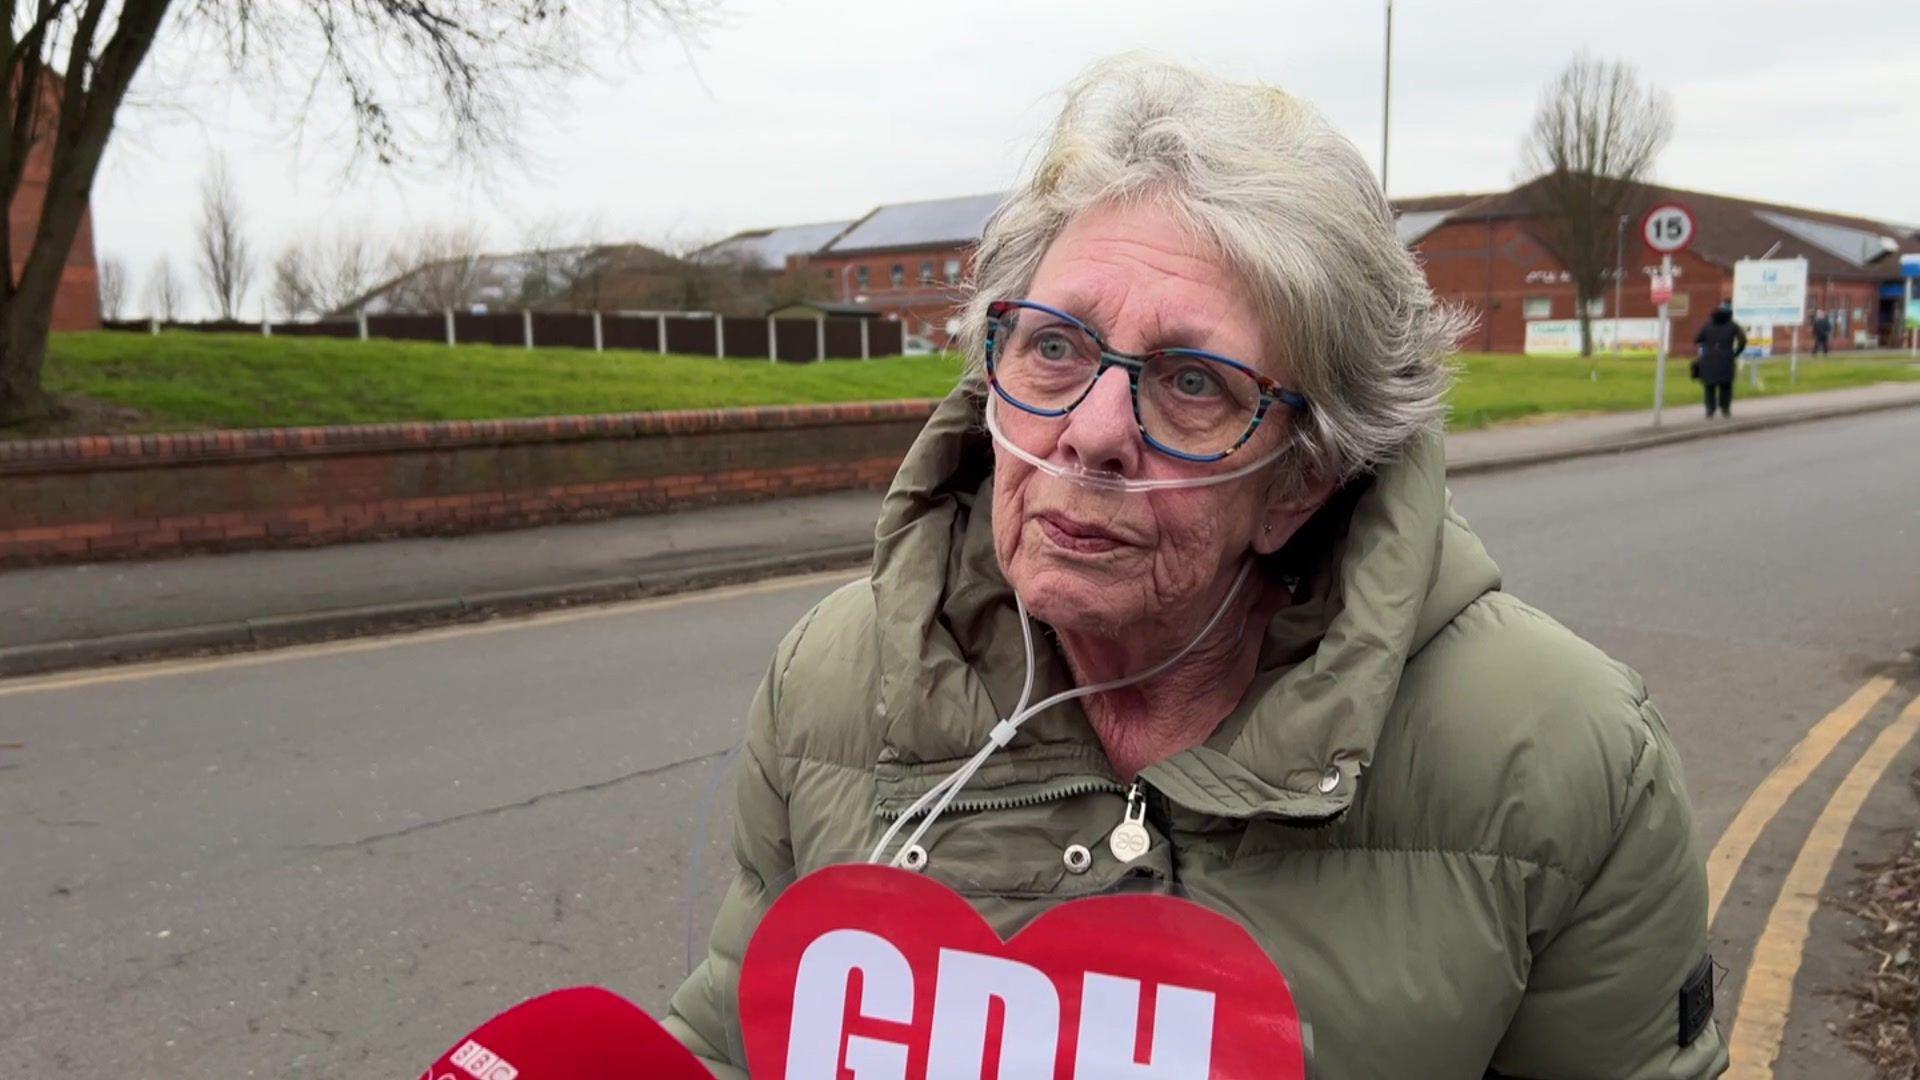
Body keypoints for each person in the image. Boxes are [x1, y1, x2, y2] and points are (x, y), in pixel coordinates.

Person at [666, 55, 1725, 1078]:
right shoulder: (832, 679)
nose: (1092, 433)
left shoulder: (1564, 758)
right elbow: (736, 1039)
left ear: (1301, 480)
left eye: (1191, 382)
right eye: (1055, 347)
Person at [1694, 301, 1748, 418]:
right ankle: (1725, 409)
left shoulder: (1708, 325)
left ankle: (1710, 410)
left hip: (1709, 358)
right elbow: (1742, 340)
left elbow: (1698, 339)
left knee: (1709, 386)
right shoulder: (1733, 325)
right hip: (1726, 358)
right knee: (1726, 385)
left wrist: (1708, 345)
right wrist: (1736, 353)